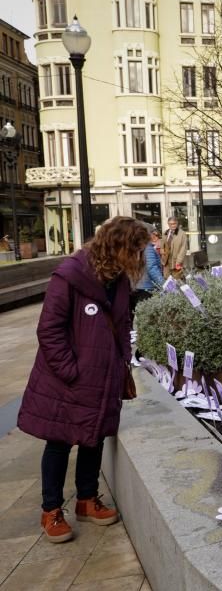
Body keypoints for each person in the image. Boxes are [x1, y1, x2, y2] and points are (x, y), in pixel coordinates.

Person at [18, 217, 149, 543]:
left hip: (103, 378)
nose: (139, 257)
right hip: (67, 380)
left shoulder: (118, 279)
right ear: (117, 245)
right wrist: (70, 372)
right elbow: (49, 330)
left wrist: (121, 362)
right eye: (135, 249)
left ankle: (87, 500)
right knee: (59, 442)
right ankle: (51, 510)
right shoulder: (70, 276)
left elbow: (120, 324)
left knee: (94, 437)